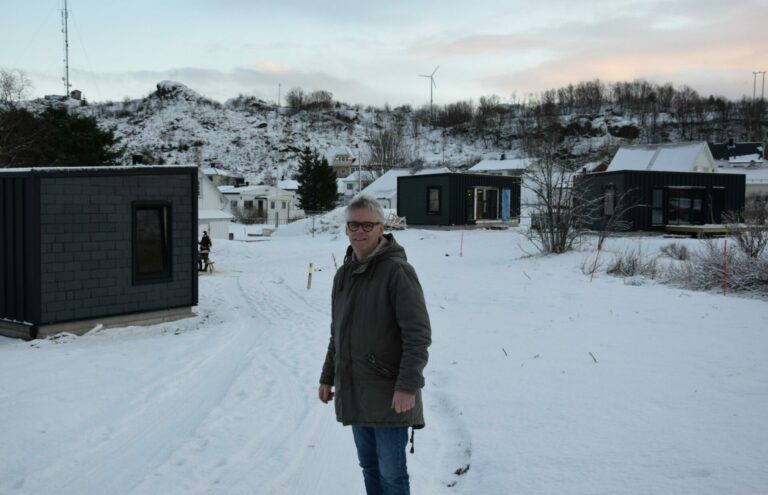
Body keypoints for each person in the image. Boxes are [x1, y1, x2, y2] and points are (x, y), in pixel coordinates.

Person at [319, 194, 431, 495]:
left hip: (390, 394)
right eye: (353, 225)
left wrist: (407, 386)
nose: (359, 231)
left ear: (381, 228)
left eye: (367, 224)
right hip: (356, 390)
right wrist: (328, 377)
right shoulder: (343, 276)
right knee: (369, 468)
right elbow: (337, 334)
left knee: (392, 475)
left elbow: (418, 335)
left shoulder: (397, 272)